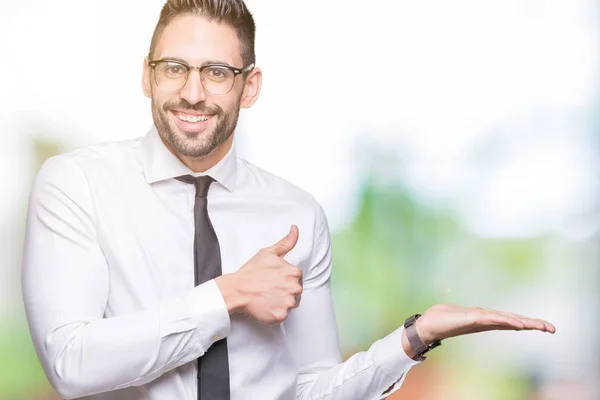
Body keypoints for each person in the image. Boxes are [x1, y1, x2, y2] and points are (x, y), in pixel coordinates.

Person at [21, 1, 555, 399]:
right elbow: (71, 363)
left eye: (216, 73)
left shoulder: (295, 214)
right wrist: (228, 295)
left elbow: (312, 390)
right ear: (147, 74)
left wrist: (414, 338)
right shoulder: (77, 185)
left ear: (249, 87)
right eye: (174, 68)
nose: (191, 92)